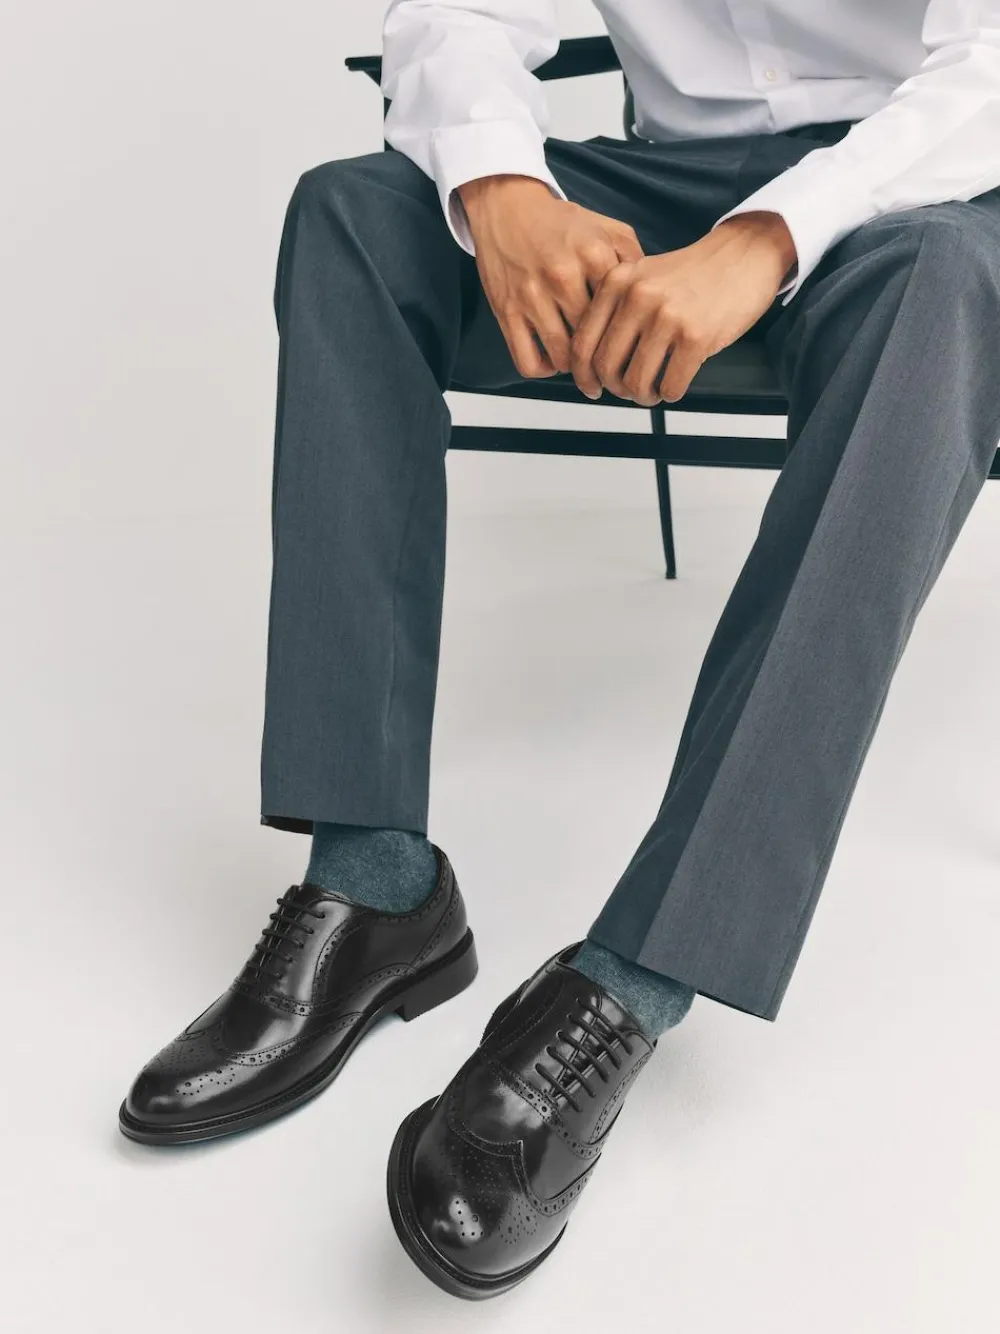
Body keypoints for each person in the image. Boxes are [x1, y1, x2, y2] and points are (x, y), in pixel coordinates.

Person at [119, 0, 1000, 1301]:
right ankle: (374, 884)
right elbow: (460, 11)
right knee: (352, 215)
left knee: (944, 287)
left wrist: (766, 239)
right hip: (674, 189)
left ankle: (632, 983)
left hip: (928, 186)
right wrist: (503, 187)